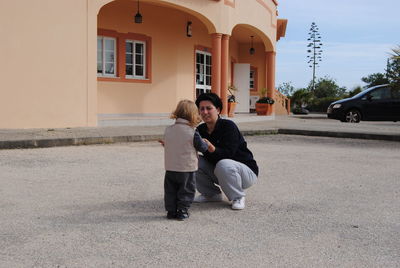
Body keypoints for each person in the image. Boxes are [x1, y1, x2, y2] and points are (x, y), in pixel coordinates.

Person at [194, 93, 258, 210]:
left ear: (218, 110)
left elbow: (228, 154)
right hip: (221, 171)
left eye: (209, 108)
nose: (205, 112)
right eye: (201, 109)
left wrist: (212, 148)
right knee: (192, 160)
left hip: (244, 172)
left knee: (223, 163)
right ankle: (211, 194)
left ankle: (238, 196)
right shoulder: (200, 130)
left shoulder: (229, 126)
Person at [162, 100, 209, 220]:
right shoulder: (192, 132)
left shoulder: (169, 130)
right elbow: (202, 148)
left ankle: (171, 211)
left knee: (171, 190)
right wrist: (205, 143)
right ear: (193, 114)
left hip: (170, 167)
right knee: (186, 190)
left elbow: (169, 144)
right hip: (186, 168)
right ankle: (182, 211)